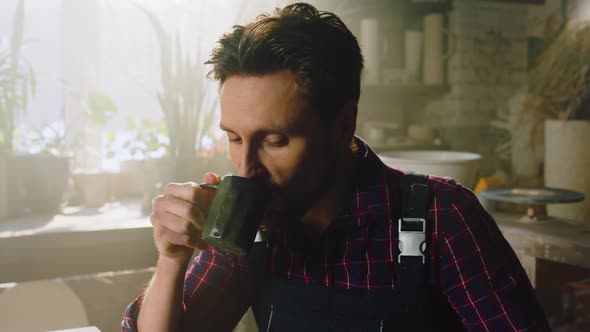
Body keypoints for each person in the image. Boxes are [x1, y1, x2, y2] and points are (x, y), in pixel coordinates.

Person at [122, 3, 550, 331]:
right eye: (234, 138)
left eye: (274, 140)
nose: (247, 167)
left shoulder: (441, 218)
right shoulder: (249, 228)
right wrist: (172, 260)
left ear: (343, 124)